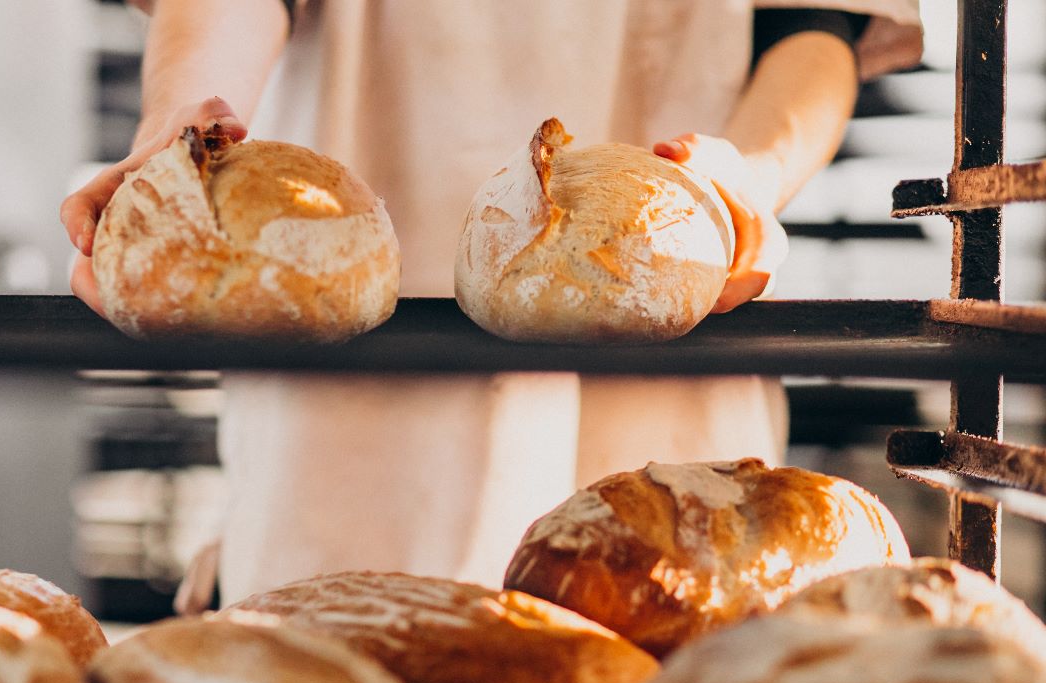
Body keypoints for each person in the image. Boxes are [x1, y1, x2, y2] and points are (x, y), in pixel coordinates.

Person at [61, 0, 923, 608]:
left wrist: (752, 177)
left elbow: (814, 28)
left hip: (667, 306)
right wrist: (179, 142)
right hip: (350, 408)